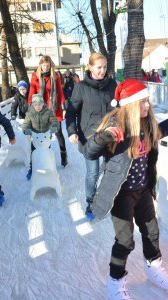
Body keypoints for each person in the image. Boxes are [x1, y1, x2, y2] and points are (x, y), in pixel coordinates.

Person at [82, 79, 168, 299]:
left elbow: (164, 128)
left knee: (152, 232)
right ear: (129, 104)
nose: (147, 106)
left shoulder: (147, 125)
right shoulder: (116, 125)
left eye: (147, 101)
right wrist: (103, 137)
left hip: (143, 190)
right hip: (121, 194)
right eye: (142, 102)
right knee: (125, 240)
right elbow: (88, 152)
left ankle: (153, 268)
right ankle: (114, 282)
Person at [66, 52, 117, 219]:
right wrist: (72, 132)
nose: (102, 71)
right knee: (93, 173)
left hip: (110, 136)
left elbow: (120, 109)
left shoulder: (112, 85)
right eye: (99, 67)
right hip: (90, 138)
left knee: (112, 170)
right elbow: (71, 112)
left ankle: (110, 199)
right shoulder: (81, 87)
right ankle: (90, 201)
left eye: (104, 67)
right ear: (90, 67)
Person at [28, 55, 68, 167]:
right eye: (43, 65)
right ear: (40, 65)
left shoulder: (55, 76)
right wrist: (31, 106)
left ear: (50, 65)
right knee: (44, 134)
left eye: (47, 65)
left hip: (54, 108)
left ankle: (64, 155)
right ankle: (46, 158)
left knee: (58, 132)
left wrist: (64, 106)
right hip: (40, 109)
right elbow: (32, 92)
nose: (45, 67)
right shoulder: (35, 76)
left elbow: (59, 92)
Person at [22, 94, 58, 180]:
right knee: (34, 153)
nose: (38, 106)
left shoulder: (48, 112)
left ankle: (50, 167)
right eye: (35, 105)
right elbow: (26, 124)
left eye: (39, 104)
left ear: (43, 104)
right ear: (33, 105)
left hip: (46, 138)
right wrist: (26, 129)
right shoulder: (30, 113)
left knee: (47, 152)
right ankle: (32, 168)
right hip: (35, 138)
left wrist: (54, 126)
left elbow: (54, 120)